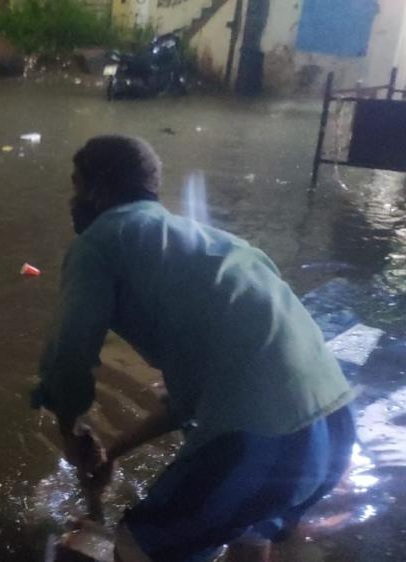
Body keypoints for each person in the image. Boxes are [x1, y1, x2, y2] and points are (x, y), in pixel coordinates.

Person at [33, 135, 356, 562]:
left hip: (258, 441)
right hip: (332, 431)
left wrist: (69, 429)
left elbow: (68, 359)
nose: (73, 200)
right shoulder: (220, 247)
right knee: (247, 532)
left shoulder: (100, 243)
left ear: (99, 189)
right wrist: (113, 451)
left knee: (137, 546)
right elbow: (199, 401)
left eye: (77, 186)